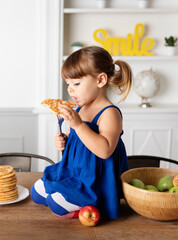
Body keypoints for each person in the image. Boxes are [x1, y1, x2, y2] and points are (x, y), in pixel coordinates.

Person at [31, 46, 133, 220]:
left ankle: (95, 206)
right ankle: (71, 197)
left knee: (55, 203)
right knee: (36, 193)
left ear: (100, 80)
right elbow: (76, 140)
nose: (70, 90)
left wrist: (78, 125)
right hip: (73, 170)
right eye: (68, 84)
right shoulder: (81, 107)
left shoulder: (110, 113)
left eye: (76, 83)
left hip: (94, 178)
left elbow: (104, 150)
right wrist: (63, 140)